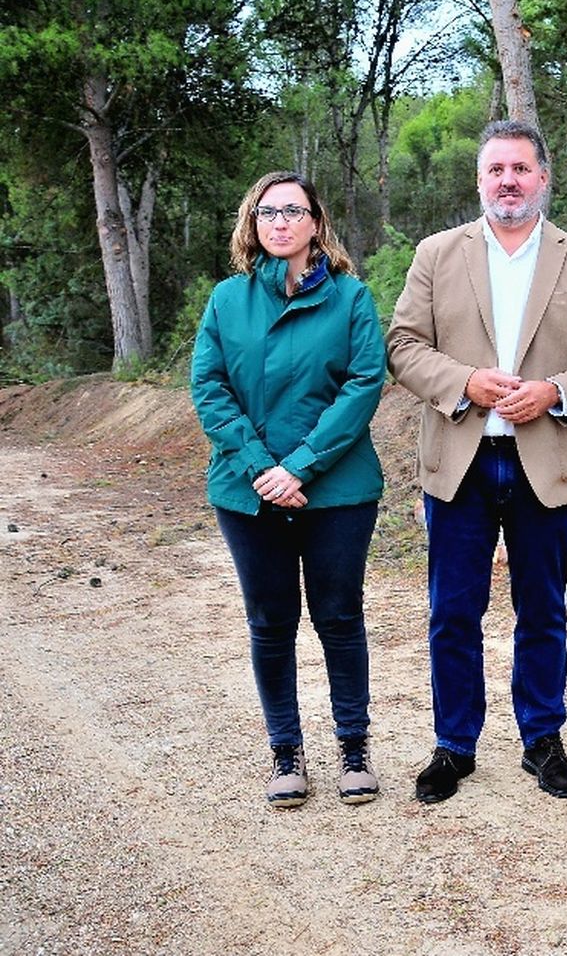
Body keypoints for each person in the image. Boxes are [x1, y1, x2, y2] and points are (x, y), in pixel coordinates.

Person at [387, 119, 567, 804]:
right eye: (496, 169)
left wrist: (556, 391)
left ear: (543, 177)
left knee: (543, 611)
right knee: (452, 613)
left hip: (544, 464)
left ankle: (542, 740)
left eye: (521, 168)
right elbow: (403, 346)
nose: (508, 181)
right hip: (459, 462)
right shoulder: (437, 254)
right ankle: (454, 745)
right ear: (479, 180)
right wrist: (464, 381)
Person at [191, 171, 386, 808]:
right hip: (248, 492)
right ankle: (286, 751)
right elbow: (210, 389)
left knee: (339, 616)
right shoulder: (228, 300)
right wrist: (261, 468)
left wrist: (299, 467)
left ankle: (353, 747)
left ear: (315, 223)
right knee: (271, 622)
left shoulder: (351, 298)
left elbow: (363, 384)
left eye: (294, 212)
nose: (280, 222)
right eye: (268, 212)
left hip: (338, 490)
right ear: (253, 223)